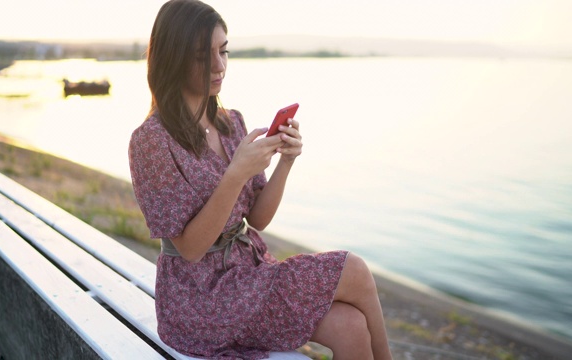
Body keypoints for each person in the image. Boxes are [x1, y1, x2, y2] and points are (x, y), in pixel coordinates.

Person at [128, 1, 393, 359]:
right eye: (203, 56)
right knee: (354, 269)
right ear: (173, 58)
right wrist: (236, 173)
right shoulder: (152, 142)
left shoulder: (230, 123)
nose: (219, 66)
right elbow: (190, 249)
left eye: (224, 51)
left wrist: (286, 161)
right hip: (200, 299)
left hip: (248, 275)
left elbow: (258, 219)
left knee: (351, 327)